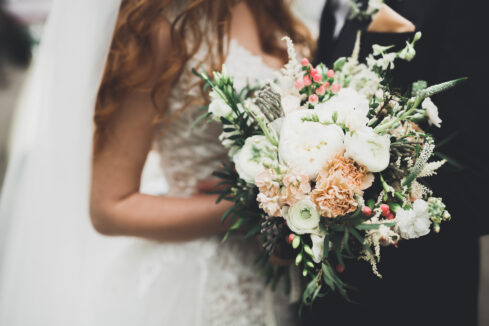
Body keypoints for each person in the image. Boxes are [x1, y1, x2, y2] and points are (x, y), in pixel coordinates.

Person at [0, 0, 314, 325]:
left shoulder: (265, 7)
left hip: (282, 279)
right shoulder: (156, 24)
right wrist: (249, 207)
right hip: (201, 284)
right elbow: (109, 207)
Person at [302, 1, 489, 325]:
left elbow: (478, 180)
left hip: (413, 299)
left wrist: (345, 195)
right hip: (325, 299)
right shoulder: (326, 8)